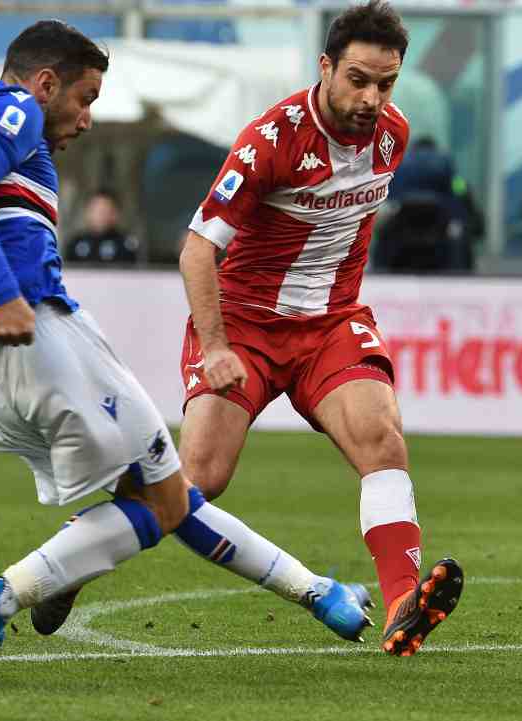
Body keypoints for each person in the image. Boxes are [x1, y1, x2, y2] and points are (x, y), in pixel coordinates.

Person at [0, 22, 371, 678]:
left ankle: (319, 593)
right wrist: (3, 293)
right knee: (160, 502)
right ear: (45, 82)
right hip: (34, 334)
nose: (87, 119)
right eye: (84, 98)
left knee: (167, 495)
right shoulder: (15, 109)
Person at [178, 1, 462, 657]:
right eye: (358, 79)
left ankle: (401, 606)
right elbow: (198, 249)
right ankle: (77, 554)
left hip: (331, 323)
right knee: (197, 480)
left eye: (386, 83)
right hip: (246, 323)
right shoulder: (269, 141)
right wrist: (216, 345)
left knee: (381, 439)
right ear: (326, 67)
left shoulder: (393, 134)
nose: (372, 98)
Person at [377, 136, 478, 273]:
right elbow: (457, 187)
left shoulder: (402, 161)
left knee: (382, 232)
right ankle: (460, 273)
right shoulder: (444, 160)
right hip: (438, 221)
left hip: (403, 221)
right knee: (459, 234)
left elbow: (390, 191)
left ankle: (379, 269)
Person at [63, 189, 138, 264]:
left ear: (115, 214)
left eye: (105, 211)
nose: (100, 216)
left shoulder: (125, 244)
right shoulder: (75, 243)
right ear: (87, 212)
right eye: (96, 210)